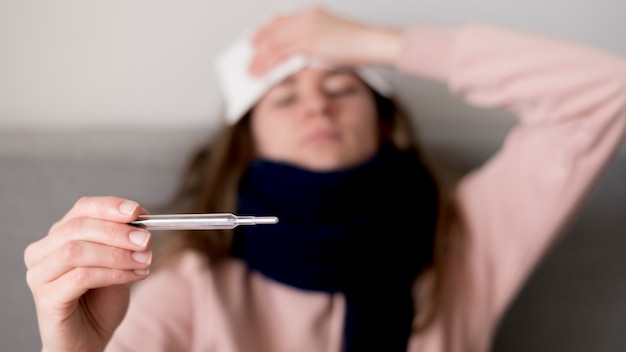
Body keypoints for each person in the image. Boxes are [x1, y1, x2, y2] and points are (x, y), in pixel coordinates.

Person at [24, 6, 626, 352]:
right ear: (247, 142)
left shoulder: (466, 238)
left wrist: (383, 43)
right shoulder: (194, 281)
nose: (317, 105)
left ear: (388, 126)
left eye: (341, 85)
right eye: (284, 97)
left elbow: (608, 90)